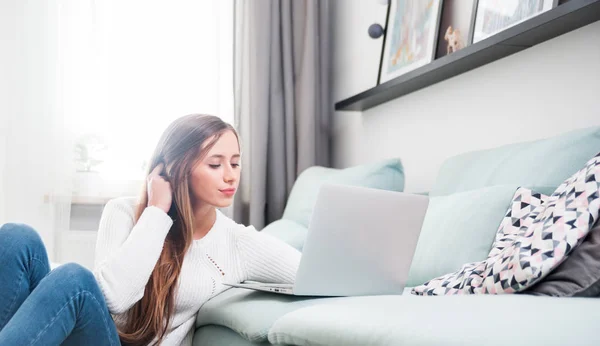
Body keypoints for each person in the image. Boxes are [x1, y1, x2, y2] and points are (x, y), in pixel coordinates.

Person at [0, 114, 301, 345]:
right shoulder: (123, 212)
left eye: (235, 164)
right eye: (215, 165)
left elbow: (311, 273)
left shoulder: (238, 242)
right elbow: (115, 300)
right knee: (17, 238)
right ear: (175, 168)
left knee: (75, 278)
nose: (230, 176)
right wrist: (156, 212)